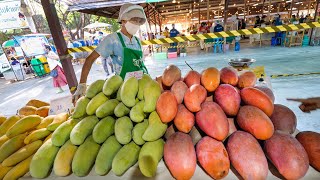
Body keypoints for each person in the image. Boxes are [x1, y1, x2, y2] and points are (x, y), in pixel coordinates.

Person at [72, 3, 148, 103]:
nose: (137, 24)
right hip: (123, 89)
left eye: (139, 21)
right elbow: (90, 59)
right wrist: (82, 84)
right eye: (134, 20)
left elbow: (140, 64)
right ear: (123, 20)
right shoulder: (112, 39)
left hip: (141, 85)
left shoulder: (137, 41)